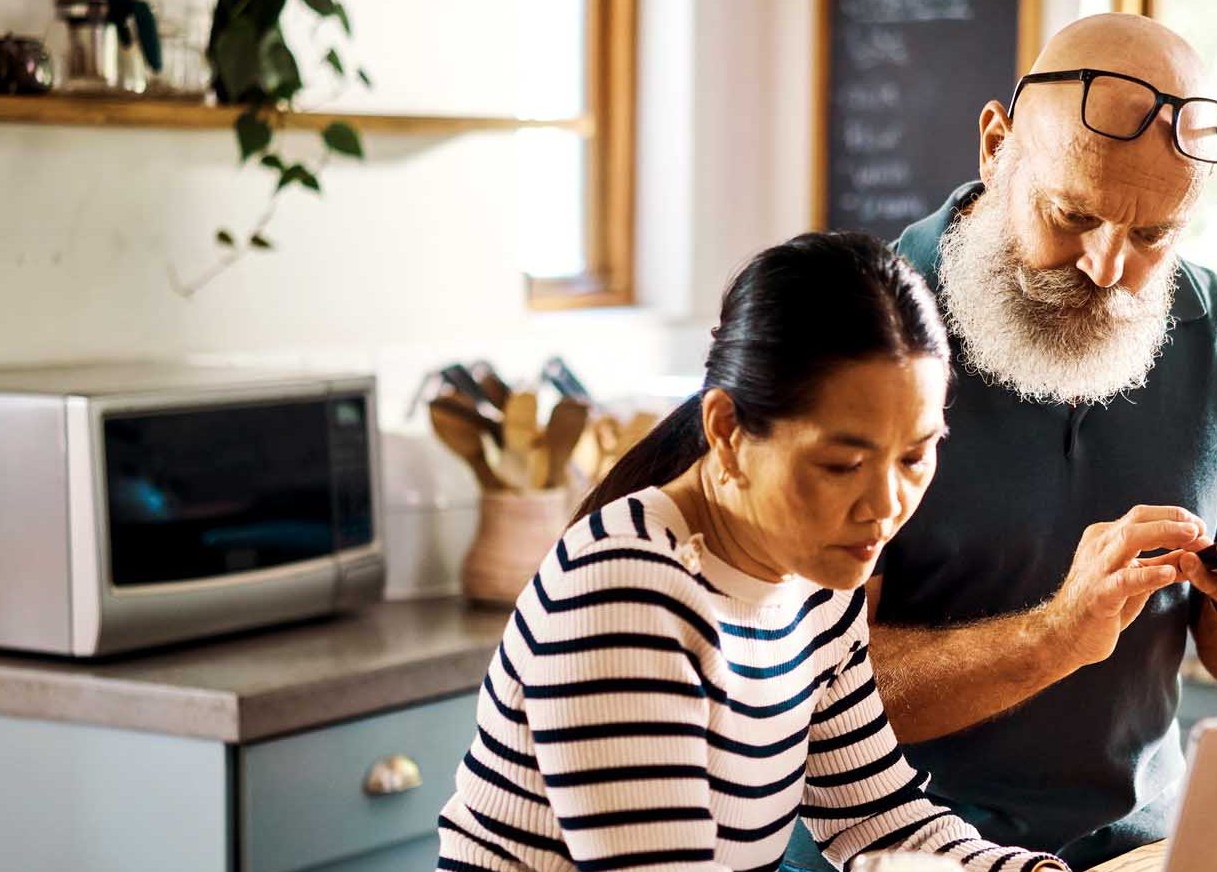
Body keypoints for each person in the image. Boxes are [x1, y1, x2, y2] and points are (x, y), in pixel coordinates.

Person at [782, 14, 1217, 870]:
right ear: (995, 145)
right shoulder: (859, 329)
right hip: (896, 855)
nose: (1108, 268)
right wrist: (1053, 636)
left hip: (1139, 851)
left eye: (1155, 235)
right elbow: (802, 705)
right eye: (1072, 213)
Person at [436, 233, 1073, 872]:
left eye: (914, 456)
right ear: (727, 430)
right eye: (842, 463)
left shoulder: (818, 581)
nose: (884, 504)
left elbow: (876, 820)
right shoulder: (623, 594)